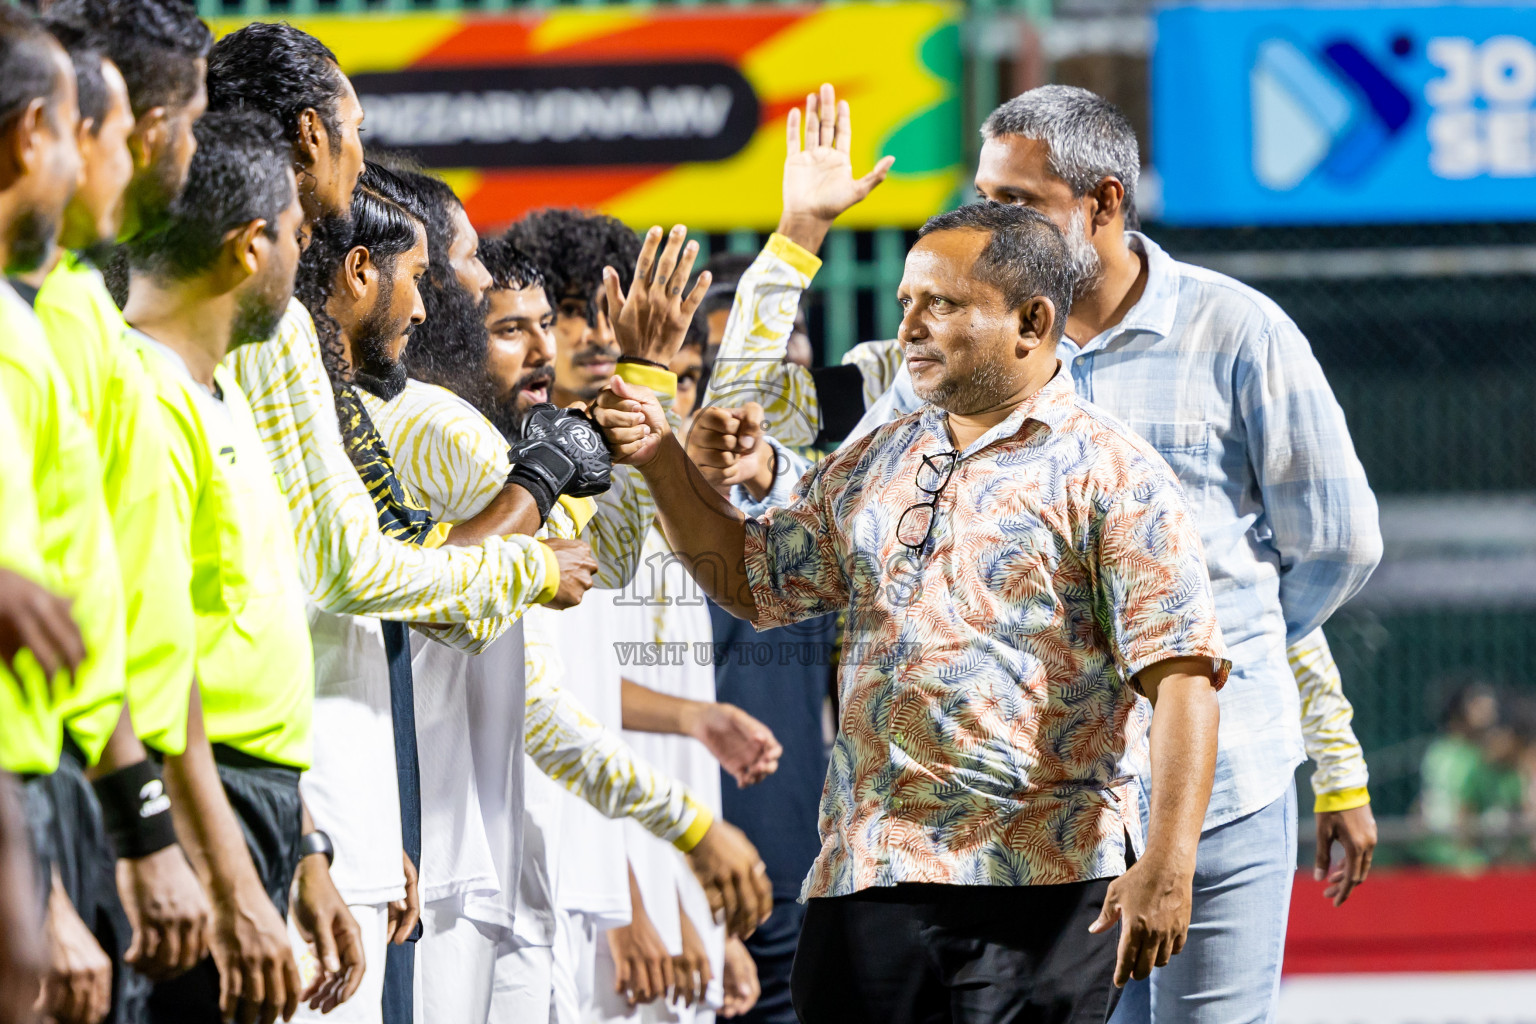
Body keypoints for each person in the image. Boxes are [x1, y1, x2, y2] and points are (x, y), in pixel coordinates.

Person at [708, 84, 1385, 1022]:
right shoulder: (949, 346)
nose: (989, 216)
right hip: (1026, 829)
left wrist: (1190, 654)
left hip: (1219, 787)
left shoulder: (1238, 333)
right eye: (982, 193)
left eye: (1017, 199)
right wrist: (798, 231)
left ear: (1101, 202)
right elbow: (739, 419)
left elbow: (1331, 549)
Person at [594, 201, 1228, 1022]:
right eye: (905, 305)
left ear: (1031, 322)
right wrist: (657, 458)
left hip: (1040, 887)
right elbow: (752, 579)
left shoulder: (1116, 475)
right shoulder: (878, 455)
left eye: (943, 304)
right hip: (867, 882)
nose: (912, 327)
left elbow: (1184, 678)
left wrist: (1169, 864)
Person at [124, 109, 364, 1024]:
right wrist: (226, 882)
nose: (305, 265)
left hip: (252, 803)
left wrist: (303, 850)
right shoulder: (144, 402)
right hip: (195, 805)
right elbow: (155, 669)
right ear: (249, 247)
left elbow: (244, 639)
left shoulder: (215, 397)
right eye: (300, 241)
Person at [25, 13, 216, 1014]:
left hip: (93, 784)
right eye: (76, 124)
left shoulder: (68, 310)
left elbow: (127, 608)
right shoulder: (30, 329)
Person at [0, 11, 131, 1024]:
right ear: (31, 135)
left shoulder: (34, 319)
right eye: (91, 129)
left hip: (55, 789)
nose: (103, 157)